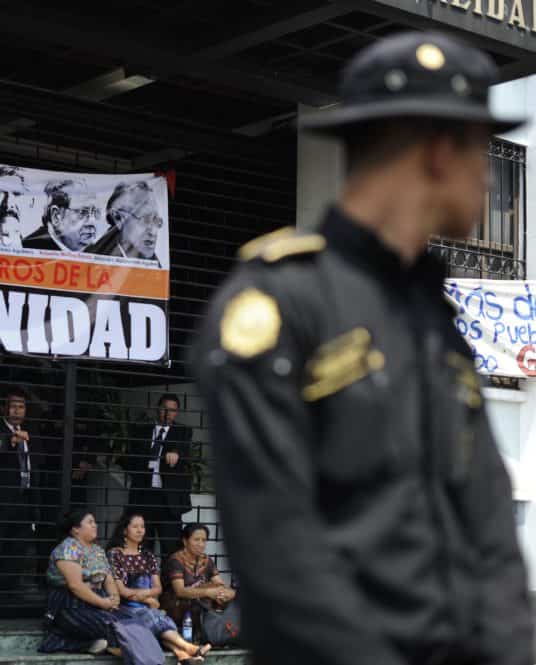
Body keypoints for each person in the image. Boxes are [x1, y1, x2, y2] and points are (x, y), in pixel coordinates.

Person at [195, 31, 533, 665]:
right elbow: (282, 557)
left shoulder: (433, 315)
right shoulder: (280, 306)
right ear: (437, 151)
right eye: (478, 152)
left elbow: (489, 536)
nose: (488, 180)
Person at [39, 508, 208, 664]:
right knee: (114, 626)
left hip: (97, 604)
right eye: (90, 522)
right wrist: (104, 603)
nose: (95, 525)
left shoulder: (97, 550)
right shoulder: (68, 548)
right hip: (71, 606)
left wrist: (113, 598)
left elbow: (109, 580)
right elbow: (76, 586)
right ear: (76, 529)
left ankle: (164, 655)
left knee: (134, 623)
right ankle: (68, 642)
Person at [124, 394, 192, 557]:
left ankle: (170, 582)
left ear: (177, 413)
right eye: (165, 409)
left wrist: (176, 453)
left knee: (171, 547)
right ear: (158, 409)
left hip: (168, 500)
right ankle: (143, 581)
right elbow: (129, 458)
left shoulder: (183, 431)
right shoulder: (141, 430)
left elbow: (184, 450)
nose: (168, 413)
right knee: (143, 545)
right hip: (144, 495)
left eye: (173, 410)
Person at [0, 386, 41, 594]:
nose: (17, 411)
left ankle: (9, 593)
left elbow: (37, 465)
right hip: (1, 502)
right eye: (13, 406)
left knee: (18, 550)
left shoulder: (31, 433)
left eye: (21, 407)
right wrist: (12, 442)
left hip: (24, 500)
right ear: (4, 408)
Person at [160, 524, 236, 643]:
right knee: (195, 603)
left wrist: (226, 593)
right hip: (177, 606)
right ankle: (198, 637)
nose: (201, 544)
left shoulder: (207, 560)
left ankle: (224, 635)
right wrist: (207, 592)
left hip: (200, 604)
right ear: (185, 541)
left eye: (204, 540)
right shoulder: (176, 560)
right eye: (196, 540)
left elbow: (219, 584)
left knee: (234, 599)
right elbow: (180, 591)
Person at [85, 181, 163, 266]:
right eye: (145, 219)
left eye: (156, 221)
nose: (153, 232)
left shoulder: (156, 267)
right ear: (118, 218)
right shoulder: (89, 257)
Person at [23, 178, 104, 252]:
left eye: (96, 212)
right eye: (83, 212)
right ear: (56, 216)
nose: (92, 221)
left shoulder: (98, 251)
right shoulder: (27, 248)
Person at [106, 512, 164, 610]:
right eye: (135, 527)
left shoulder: (148, 555)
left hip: (148, 608)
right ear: (124, 530)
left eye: (142, 527)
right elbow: (121, 590)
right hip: (124, 608)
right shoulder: (115, 554)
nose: (140, 530)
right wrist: (147, 600)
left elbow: (158, 588)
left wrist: (144, 594)